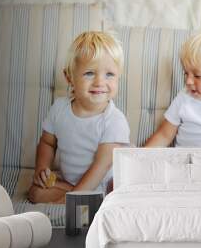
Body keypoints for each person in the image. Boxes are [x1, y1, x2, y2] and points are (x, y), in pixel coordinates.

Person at [28, 31, 130, 203]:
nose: (99, 82)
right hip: (71, 183)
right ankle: (79, 200)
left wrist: (76, 196)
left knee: (119, 189)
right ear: (70, 77)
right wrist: (42, 169)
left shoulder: (114, 120)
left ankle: (81, 201)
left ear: (118, 77)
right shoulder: (59, 109)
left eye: (109, 74)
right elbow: (47, 143)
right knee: (34, 193)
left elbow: (101, 166)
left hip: (105, 184)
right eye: (89, 73)